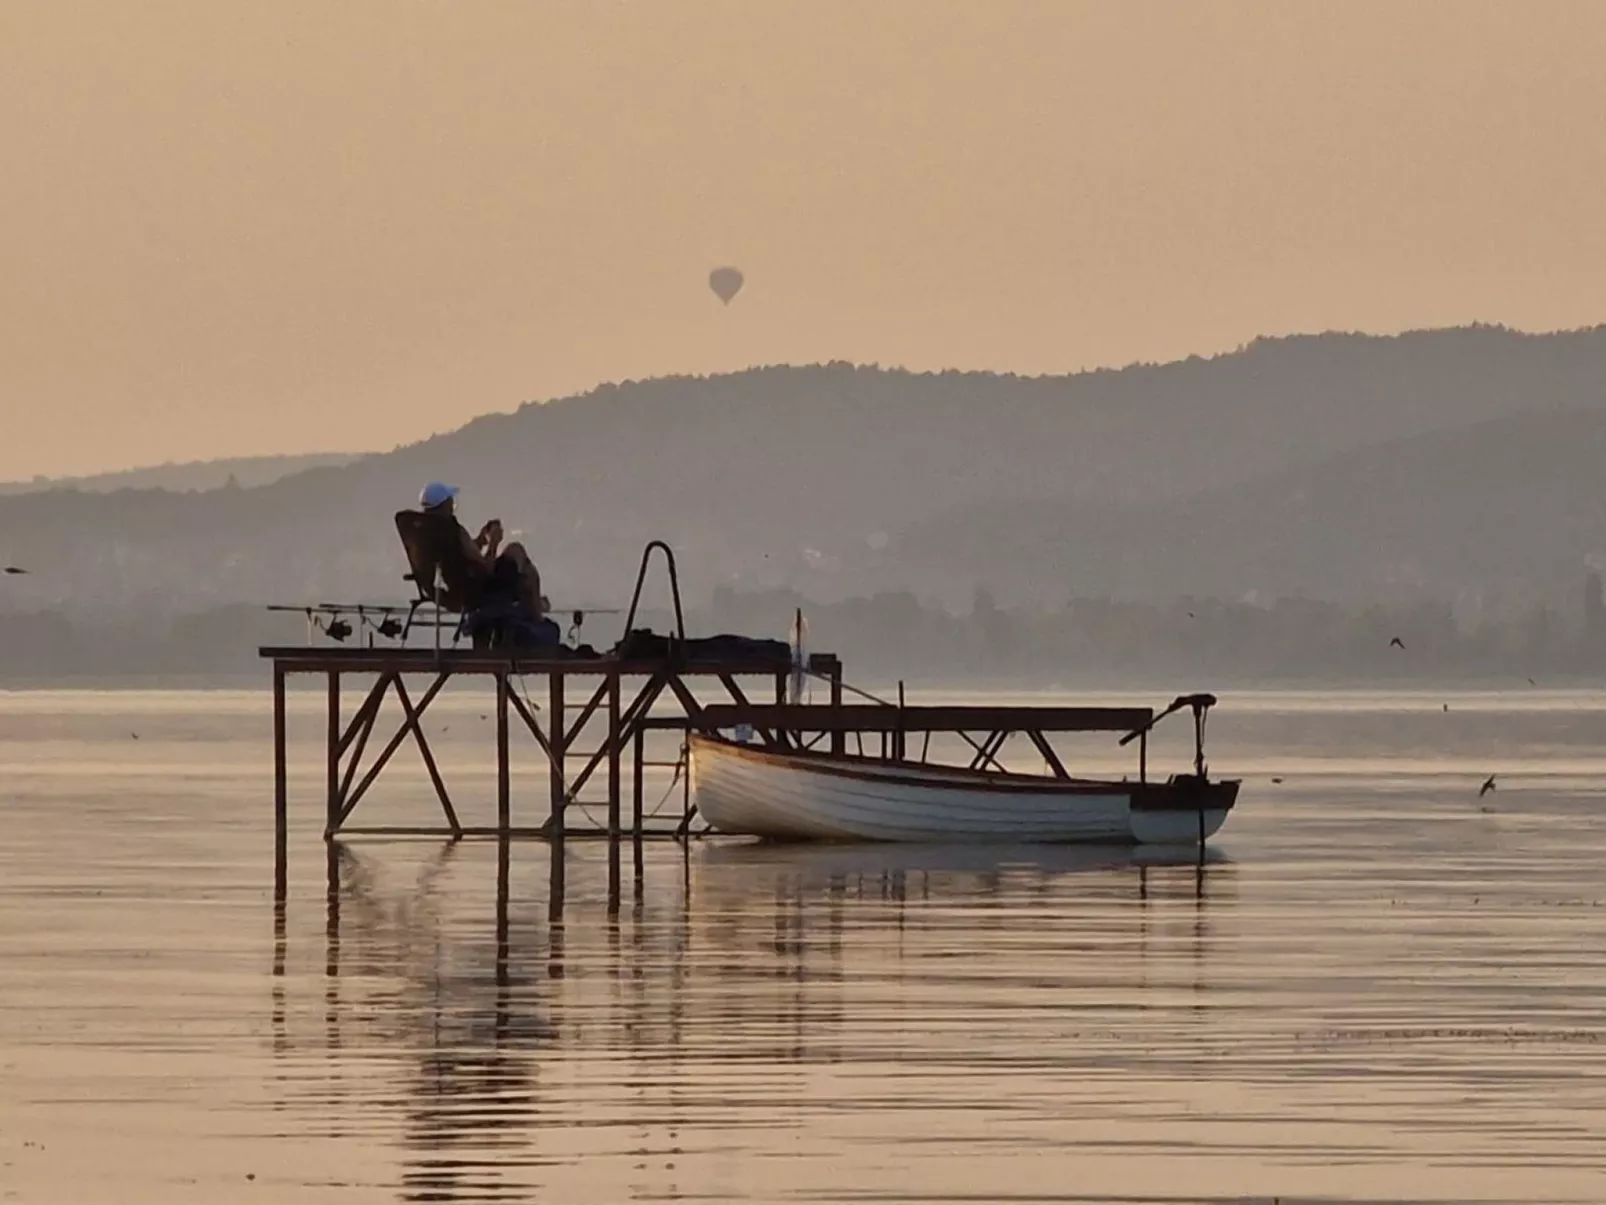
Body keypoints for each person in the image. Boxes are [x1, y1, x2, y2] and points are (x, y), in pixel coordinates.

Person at [417, 481, 546, 621]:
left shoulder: (428, 534)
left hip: (456, 590)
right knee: (518, 554)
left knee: (525, 572)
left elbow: (461, 558)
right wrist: (493, 542)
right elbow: (485, 570)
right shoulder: (453, 531)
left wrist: (479, 541)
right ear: (446, 504)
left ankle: (535, 605)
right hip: (479, 591)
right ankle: (537, 614)